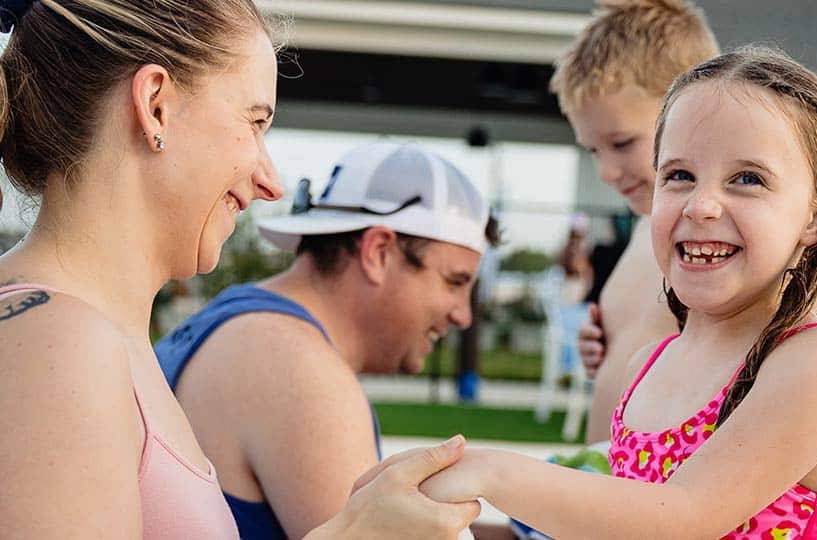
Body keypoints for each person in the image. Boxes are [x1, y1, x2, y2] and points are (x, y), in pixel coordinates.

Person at [0, 1, 478, 538]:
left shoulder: (86, 332)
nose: (271, 181)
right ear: (155, 105)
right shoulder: (58, 343)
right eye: (254, 122)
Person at [407, 46, 817, 539]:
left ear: (816, 217)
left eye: (748, 179)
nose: (702, 205)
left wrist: (488, 472)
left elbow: (682, 517)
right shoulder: (650, 363)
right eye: (679, 175)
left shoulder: (812, 361)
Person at [549, 0, 817, 444]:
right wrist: (605, 354)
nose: (605, 171)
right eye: (593, 150)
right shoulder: (657, 234)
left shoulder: (790, 254)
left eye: (621, 143)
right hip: (620, 489)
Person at [154, 140, 499, 539]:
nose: (463, 314)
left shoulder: (238, 323)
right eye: (454, 282)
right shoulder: (299, 369)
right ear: (379, 251)